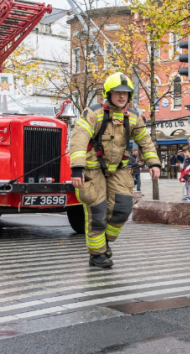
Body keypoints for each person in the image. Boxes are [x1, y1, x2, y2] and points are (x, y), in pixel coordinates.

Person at [69, 72, 161, 268]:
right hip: (92, 171)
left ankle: (105, 242)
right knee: (97, 213)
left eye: (126, 93)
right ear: (107, 94)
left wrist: (154, 163)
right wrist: (77, 169)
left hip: (118, 170)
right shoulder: (93, 113)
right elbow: (78, 139)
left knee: (122, 209)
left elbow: (145, 141)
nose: (122, 97)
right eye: (117, 93)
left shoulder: (134, 117)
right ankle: (97, 255)